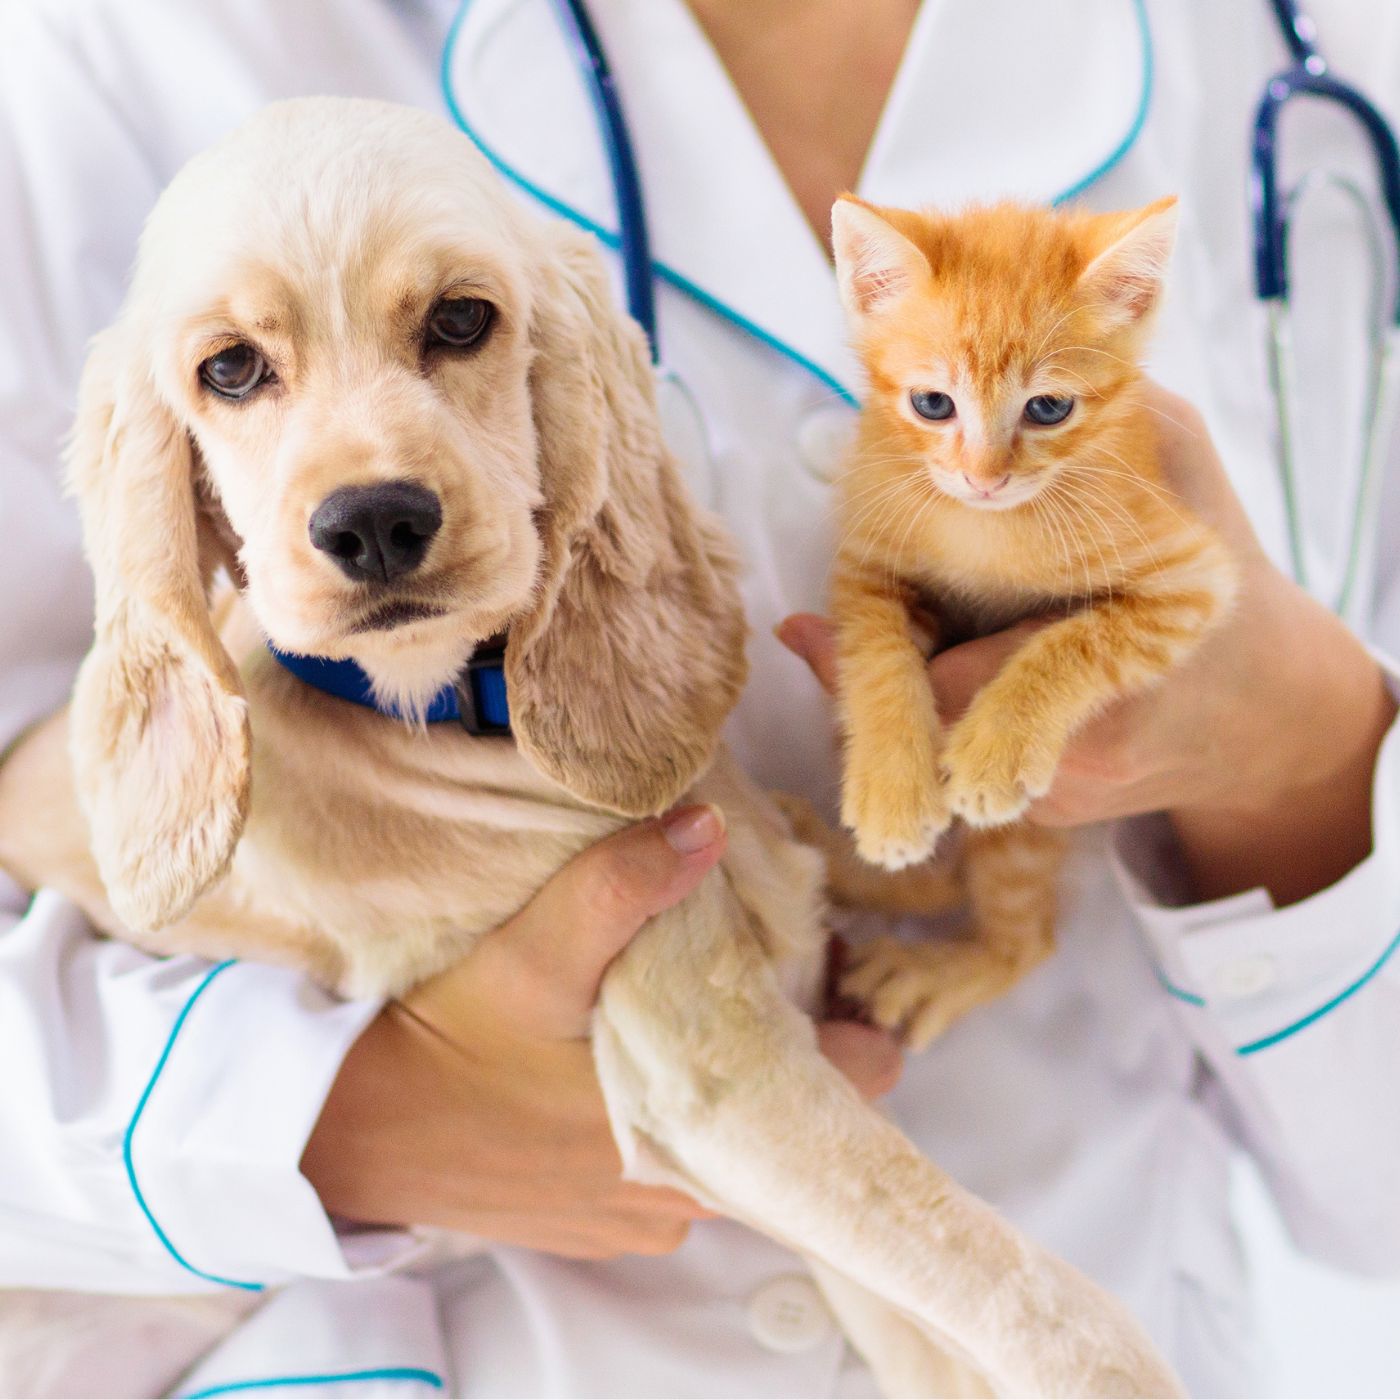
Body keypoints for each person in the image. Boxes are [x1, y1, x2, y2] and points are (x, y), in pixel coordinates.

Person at [1, 1, 1398, 1394]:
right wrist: (325, 1121)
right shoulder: (119, 60)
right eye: (238, 370)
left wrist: (1309, 756)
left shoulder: (1297, 53)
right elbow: (57, 810)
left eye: (458, 324)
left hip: (1129, 1247)